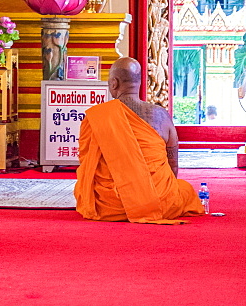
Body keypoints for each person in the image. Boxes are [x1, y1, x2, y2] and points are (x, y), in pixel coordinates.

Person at [74, 57, 204, 223]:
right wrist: (163, 191)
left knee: (81, 189)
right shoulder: (161, 115)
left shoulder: (98, 116)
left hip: (109, 204)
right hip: (159, 202)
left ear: (114, 83)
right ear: (140, 83)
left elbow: (87, 164)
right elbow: (173, 163)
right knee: (184, 189)